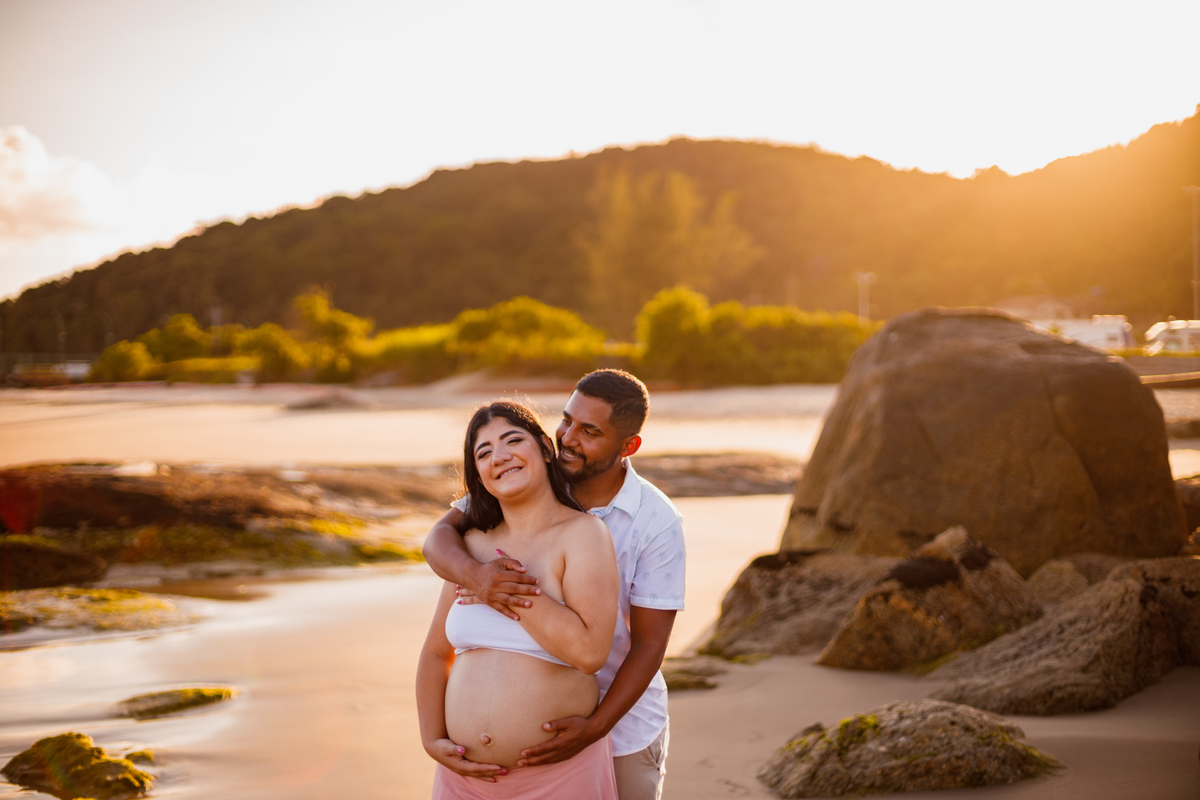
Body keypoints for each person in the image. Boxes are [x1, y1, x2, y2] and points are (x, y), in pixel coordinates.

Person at [423, 370, 685, 800]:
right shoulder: (521, 480)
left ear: (628, 447)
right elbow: (437, 541)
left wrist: (596, 726)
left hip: (619, 723)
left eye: (589, 431)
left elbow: (650, 645)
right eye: (566, 420)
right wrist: (479, 578)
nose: (568, 437)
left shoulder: (654, 521)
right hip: (478, 775)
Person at [416, 400, 621, 798]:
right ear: (477, 472)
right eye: (484, 452)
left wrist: (505, 588)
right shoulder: (470, 548)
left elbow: (589, 651)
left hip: (557, 779)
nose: (500, 456)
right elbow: (435, 653)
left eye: (513, 440)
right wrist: (431, 738)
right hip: (464, 780)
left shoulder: (583, 535)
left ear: (545, 449)